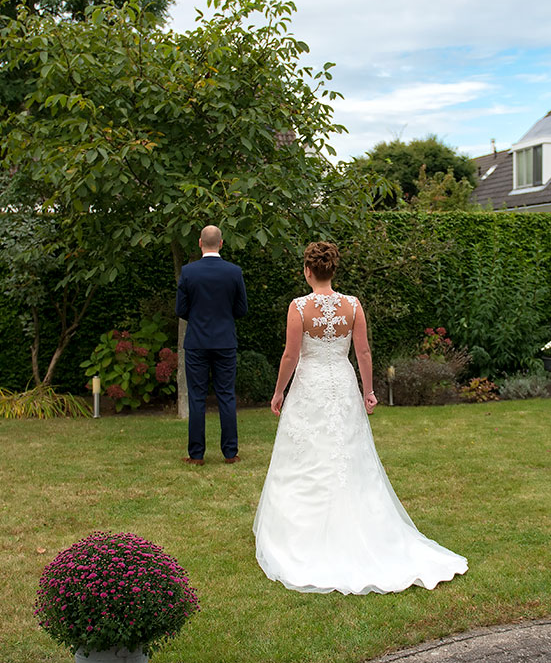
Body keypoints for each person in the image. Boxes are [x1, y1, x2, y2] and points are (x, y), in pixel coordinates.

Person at [253, 242, 467, 594]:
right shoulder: (352, 306)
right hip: (342, 384)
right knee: (348, 455)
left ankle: (301, 533)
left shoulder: (299, 308)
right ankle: (359, 524)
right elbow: (363, 352)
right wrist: (368, 390)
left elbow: (291, 355)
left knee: (307, 457)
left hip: (310, 387)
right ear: (332, 270)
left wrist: (278, 392)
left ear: (308, 271)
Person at [175, 225, 248, 465]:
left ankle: (196, 455)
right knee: (226, 395)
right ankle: (230, 453)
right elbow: (241, 309)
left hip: (196, 341)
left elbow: (180, 310)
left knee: (196, 397)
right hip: (225, 340)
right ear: (221, 243)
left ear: (199, 243)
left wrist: (198, 319)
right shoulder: (234, 272)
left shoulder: (188, 272)